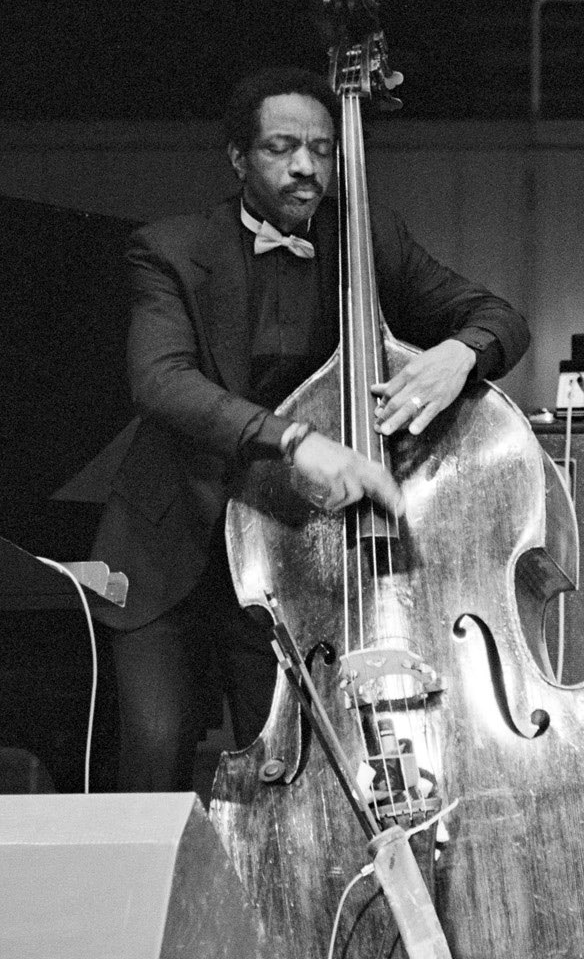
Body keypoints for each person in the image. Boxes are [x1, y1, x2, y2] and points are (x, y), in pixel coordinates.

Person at [92, 65, 530, 792]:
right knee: (155, 748)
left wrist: (460, 353)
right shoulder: (170, 249)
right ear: (239, 159)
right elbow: (161, 383)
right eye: (281, 147)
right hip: (172, 546)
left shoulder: (368, 239)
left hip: (292, 560)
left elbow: (502, 318)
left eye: (323, 149)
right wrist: (297, 441)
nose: (305, 165)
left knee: (291, 772)